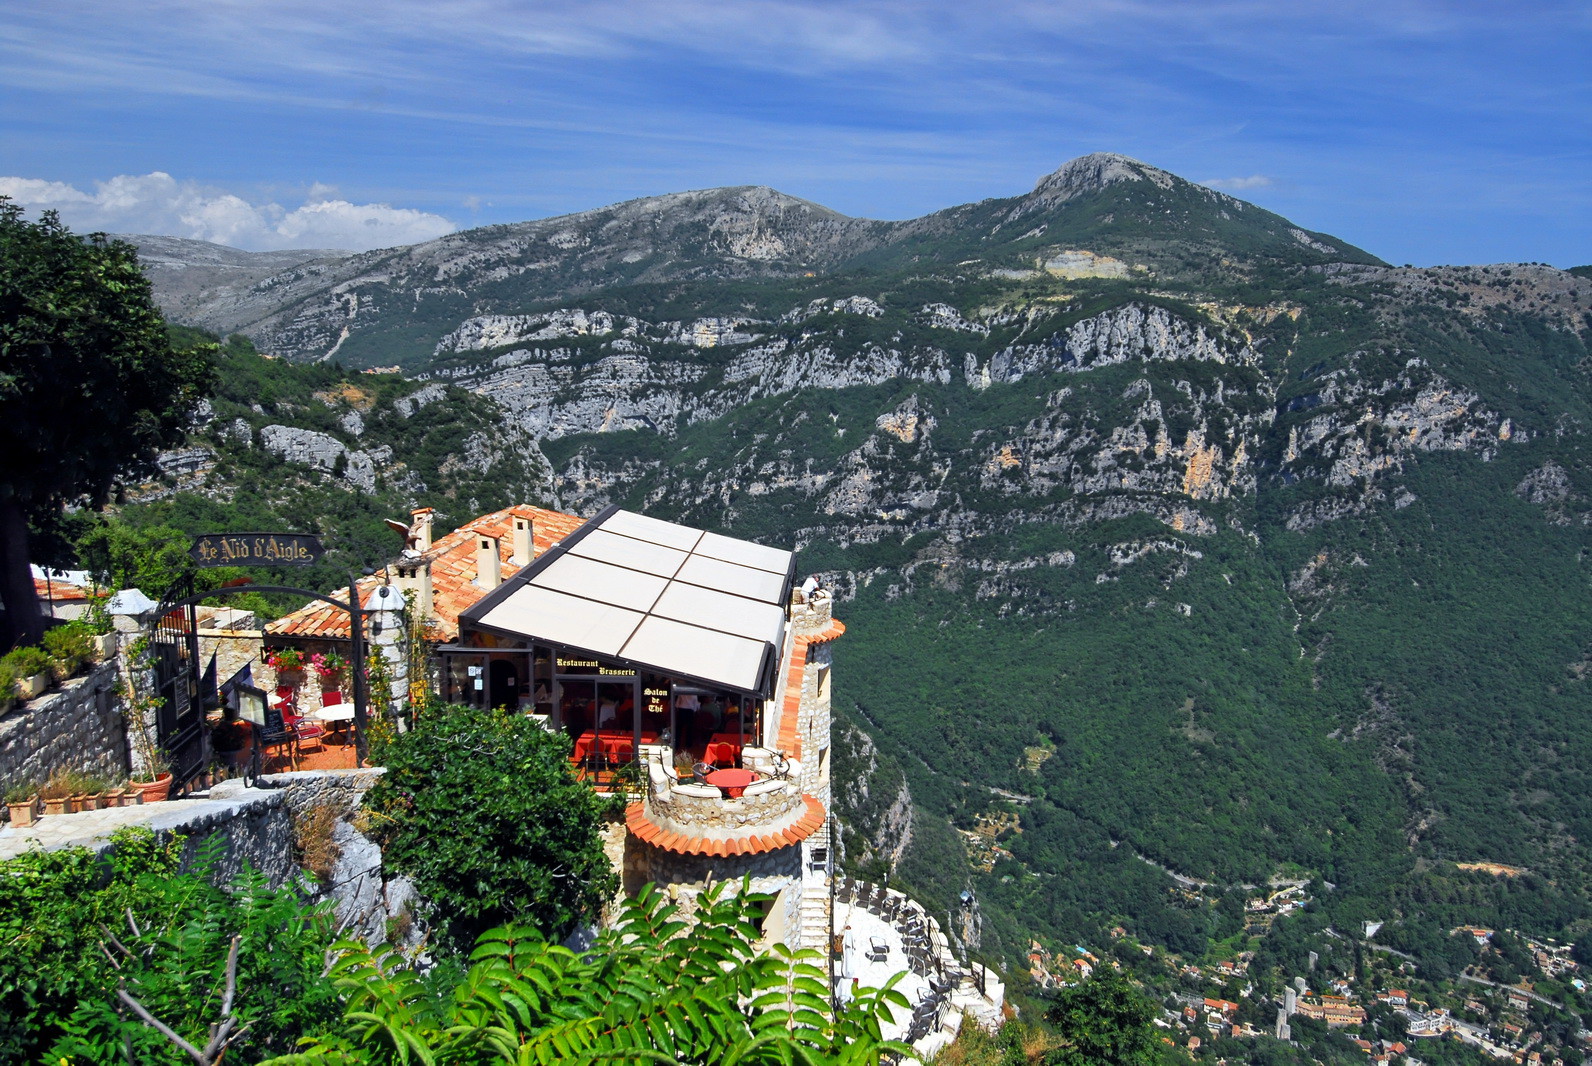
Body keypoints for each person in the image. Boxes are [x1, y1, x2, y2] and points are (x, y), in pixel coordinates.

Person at [210, 704, 253, 777]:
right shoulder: (232, 728)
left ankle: (231, 771)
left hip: (225, 750)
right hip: (228, 750)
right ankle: (231, 771)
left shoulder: (224, 727)